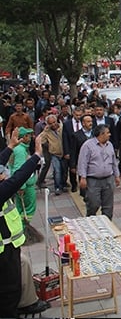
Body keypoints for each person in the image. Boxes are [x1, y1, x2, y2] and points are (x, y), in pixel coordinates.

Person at [0, 129, 44, 318]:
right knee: (9, 291)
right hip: (3, 252)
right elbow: (17, 180)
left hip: (9, 248)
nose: (3, 173)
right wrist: (36, 156)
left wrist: (9, 147)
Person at [77, 124, 121, 220]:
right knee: (93, 204)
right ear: (101, 134)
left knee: (108, 206)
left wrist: (117, 175)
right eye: (107, 133)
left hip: (108, 179)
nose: (110, 135)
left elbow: (114, 161)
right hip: (93, 180)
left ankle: (107, 225)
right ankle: (91, 222)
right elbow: (83, 162)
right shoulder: (88, 145)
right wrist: (83, 177)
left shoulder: (110, 145)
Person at [39, 114, 65, 195]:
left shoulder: (62, 128)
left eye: (54, 122)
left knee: (64, 171)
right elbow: (41, 141)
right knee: (57, 171)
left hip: (64, 153)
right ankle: (57, 187)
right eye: (50, 123)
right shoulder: (47, 132)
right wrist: (45, 131)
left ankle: (62, 185)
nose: (53, 124)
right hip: (54, 154)